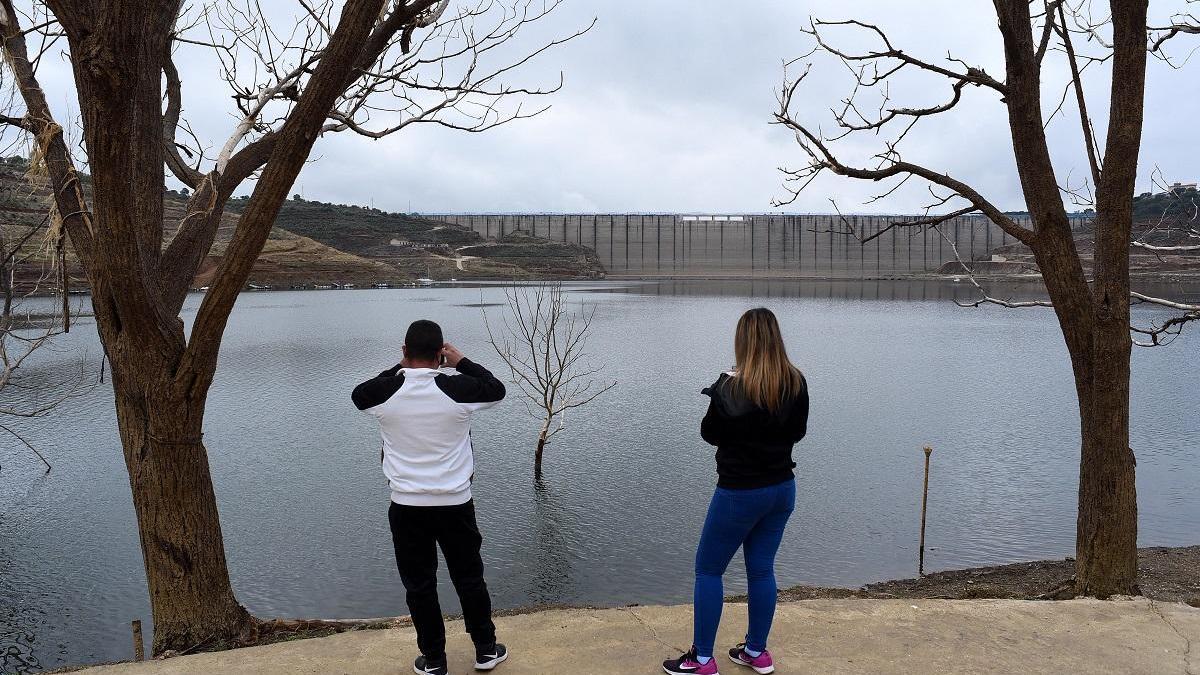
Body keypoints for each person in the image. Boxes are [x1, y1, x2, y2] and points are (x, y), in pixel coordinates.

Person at [352, 319, 509, 675]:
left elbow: (361, 391)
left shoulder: (384, 394)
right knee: (469, 578)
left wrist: (401, 367)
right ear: (440, 353)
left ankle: (435, 660)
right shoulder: (459, 390)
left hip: (407, 506)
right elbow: (495, 388)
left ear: (404, 351)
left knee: (420, 585)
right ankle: (486, 650)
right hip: (455, 504)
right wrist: (461, 361)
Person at [663, 308, 809, 675]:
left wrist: (718, 394)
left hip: (740, 492)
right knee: (761, 570)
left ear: (742, 341)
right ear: (776, 338)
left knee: (708, 571)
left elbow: (710, 434)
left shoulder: (730, 385)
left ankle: (701, 660)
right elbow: (799, 432)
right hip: (782, 489)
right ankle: (756, 652)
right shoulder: (796, 381)